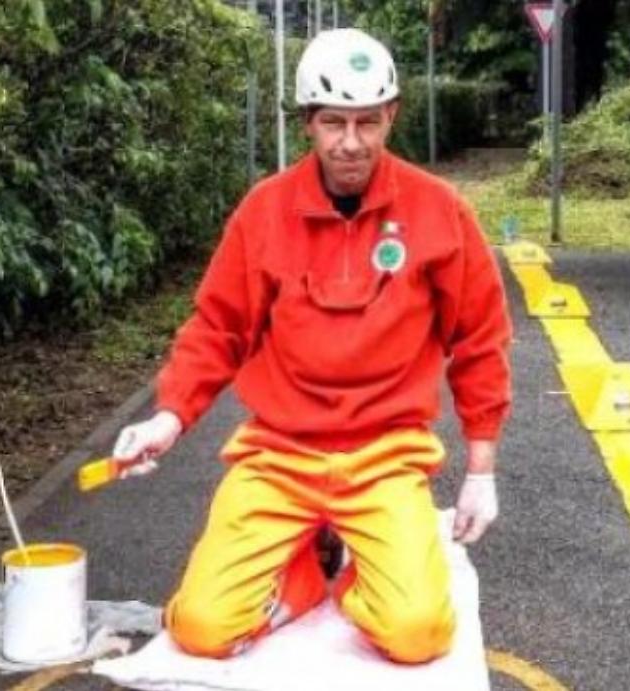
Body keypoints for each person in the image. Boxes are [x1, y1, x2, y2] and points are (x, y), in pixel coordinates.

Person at [109, 28, 512, 664]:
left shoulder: (440, 211)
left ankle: (358, 563)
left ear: (392, 116)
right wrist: (169, 415)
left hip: (387, 455)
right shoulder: (263, 211)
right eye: (332, 123)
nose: (350, 142)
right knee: (201, 629)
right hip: (279, 453)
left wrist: (481, 472)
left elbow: (480, 339)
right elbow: (218, 326)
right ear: (307, 123)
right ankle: (301, 572)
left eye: (367, 122)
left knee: (418, 634)